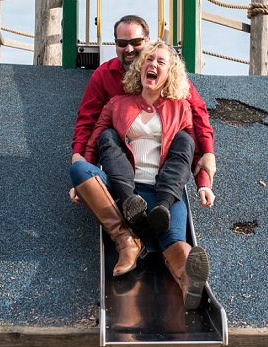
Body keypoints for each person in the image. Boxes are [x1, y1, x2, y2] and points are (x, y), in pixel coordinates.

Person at [70, 41, 215, 310]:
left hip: (165, 193)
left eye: (161, 62)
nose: (153, 65)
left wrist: (203, 184)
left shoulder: (180, 107)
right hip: (126, 190)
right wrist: (82, 180)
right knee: (89, 155)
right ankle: (127, 239)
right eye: (149, 60)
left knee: (174, 241)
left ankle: (189, 283)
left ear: (170, 73)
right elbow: (92, 143)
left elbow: (190, 155)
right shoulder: (117, 103)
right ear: (139, 67)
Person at [69, 15, 216, 207]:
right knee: (106, 137)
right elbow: (88, 119)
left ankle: (158, 206)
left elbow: (197, 113)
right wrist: (79, 154)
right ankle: (126, 209)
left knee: (184, 140)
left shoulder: (168, 77)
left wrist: (208, 153)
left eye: (136, 42)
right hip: (122, 162)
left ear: (147, 41)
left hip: (160, 165)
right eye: (122, 43)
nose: (129, 49)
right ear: (115, 44)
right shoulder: (104, 75)